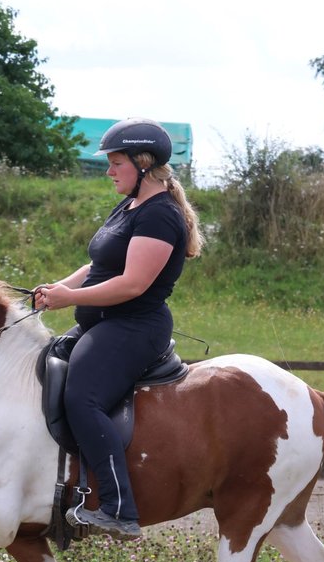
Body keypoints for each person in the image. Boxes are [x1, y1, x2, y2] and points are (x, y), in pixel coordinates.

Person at [34, 117, 205, 539]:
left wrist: (69, 299)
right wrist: (60, 287)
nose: (109, 171)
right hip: (105, 322)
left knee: (82, 398)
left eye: (115, 163)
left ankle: (118, 508)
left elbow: (133, 284)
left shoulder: (161, 215)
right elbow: (99, 265)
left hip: (134, 327)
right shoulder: (130, 204)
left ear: (143, 164)